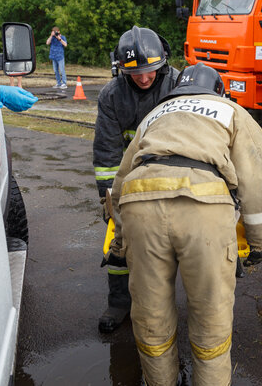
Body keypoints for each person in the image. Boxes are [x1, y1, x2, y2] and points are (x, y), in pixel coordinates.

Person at [110, 63, 262, 385]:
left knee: (151, 316)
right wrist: (260, 242)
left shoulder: (156, 114)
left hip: (140, 204)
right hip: (204, 208)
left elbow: (120, 182)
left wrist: (120, 244)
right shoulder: (233, 111)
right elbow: (258, 183)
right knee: (210, 317)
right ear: (219, 90)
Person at [94, 26, 179, 333]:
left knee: (176, 244)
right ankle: (119, 304)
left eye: (151, 71)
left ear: (163, 64)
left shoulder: (178, 85)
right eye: (136, 73)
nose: (144, 78)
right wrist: (109, 199)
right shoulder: (112, 96)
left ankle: (167, 304)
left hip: (173, 178)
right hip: (129, 182)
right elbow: (106, 153)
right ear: (121, 70)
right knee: (119, 243)